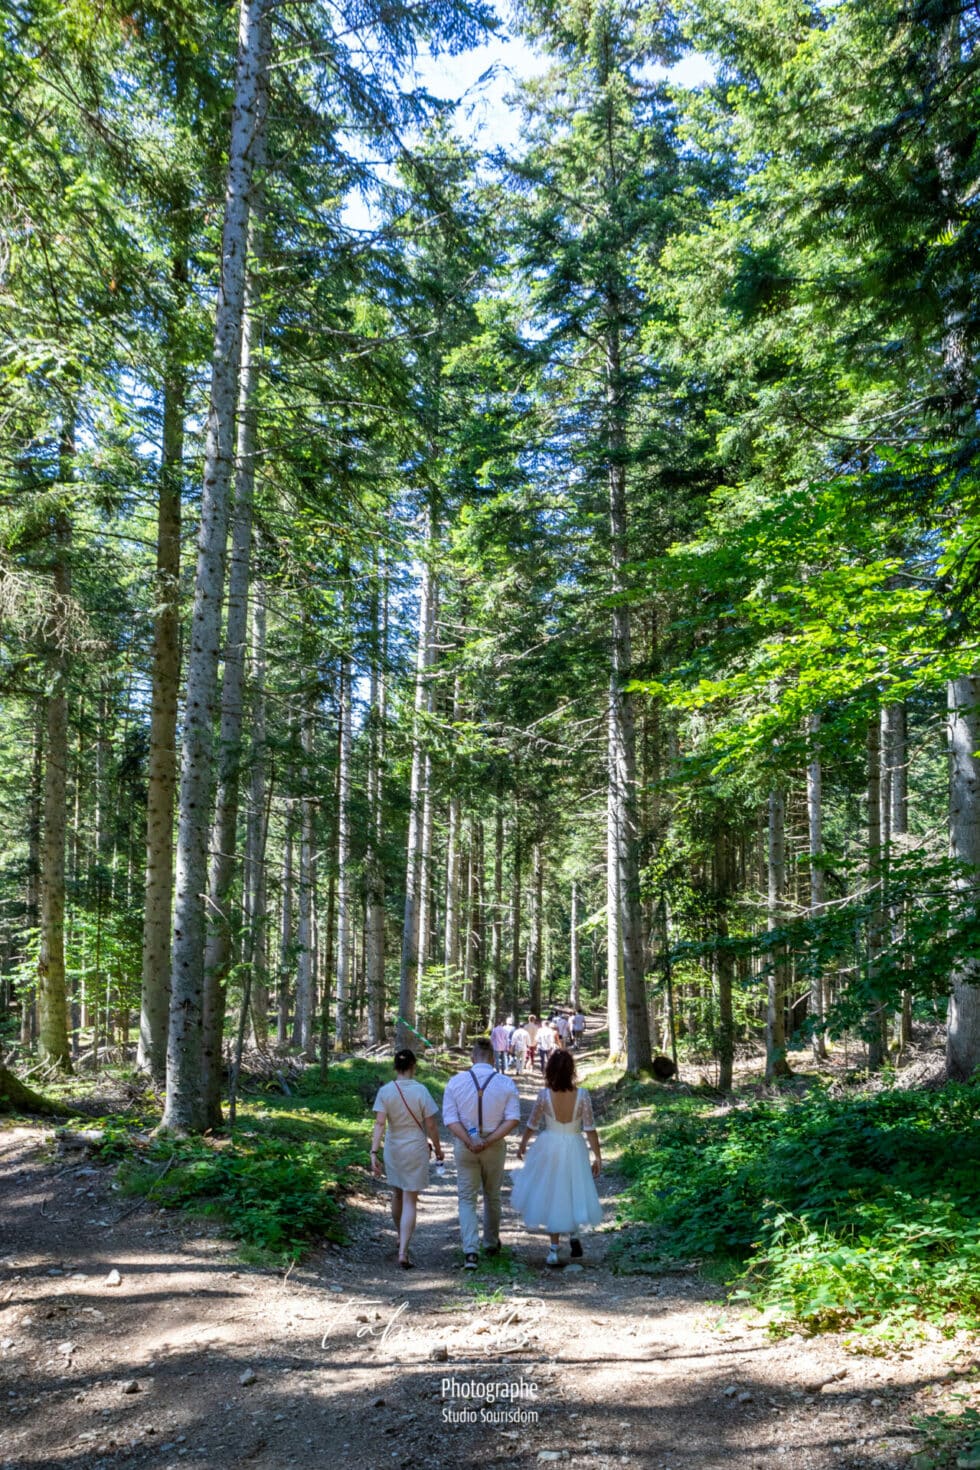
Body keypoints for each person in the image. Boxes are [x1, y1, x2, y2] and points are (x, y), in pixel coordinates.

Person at [512, 1049, 603, 1268]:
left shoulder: (544, 1096)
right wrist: (597, 1156)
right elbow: (590, 1128)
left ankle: (553, 1250)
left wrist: (523, 1143)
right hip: (574, 1145)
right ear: (572, 1070)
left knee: (553, 1193)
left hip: (549, 1146)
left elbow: (532, 1124)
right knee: (572, 1189)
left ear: (550, 1070)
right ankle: (573, 1235)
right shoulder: (582, 1095)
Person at [442, 1038, 521, 1269]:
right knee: (492, 1195)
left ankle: (470, 1250)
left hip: (465, 1144)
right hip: (494, 1144)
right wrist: (489, 1140)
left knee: (467, 1197)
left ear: (472, 1057)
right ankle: (490, 1242)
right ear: (493, 1058)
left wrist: (469, 1140)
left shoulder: (456, 1082)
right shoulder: (506, 1083)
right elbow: (513, 1119)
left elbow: (450, 1119)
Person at [370, 1049, 444, 1269]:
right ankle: (403, 1250)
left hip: (393, 1147)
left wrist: (373, 1151)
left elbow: (380, 1123)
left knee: (397, 1193)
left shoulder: (385, 1091)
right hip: (415, 1146)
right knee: (411, 1198)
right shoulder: (421, 1091)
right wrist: (438, 1149)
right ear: (414, 1066)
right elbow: (431, 1125)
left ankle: (399, 1235)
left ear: (395, 1067)